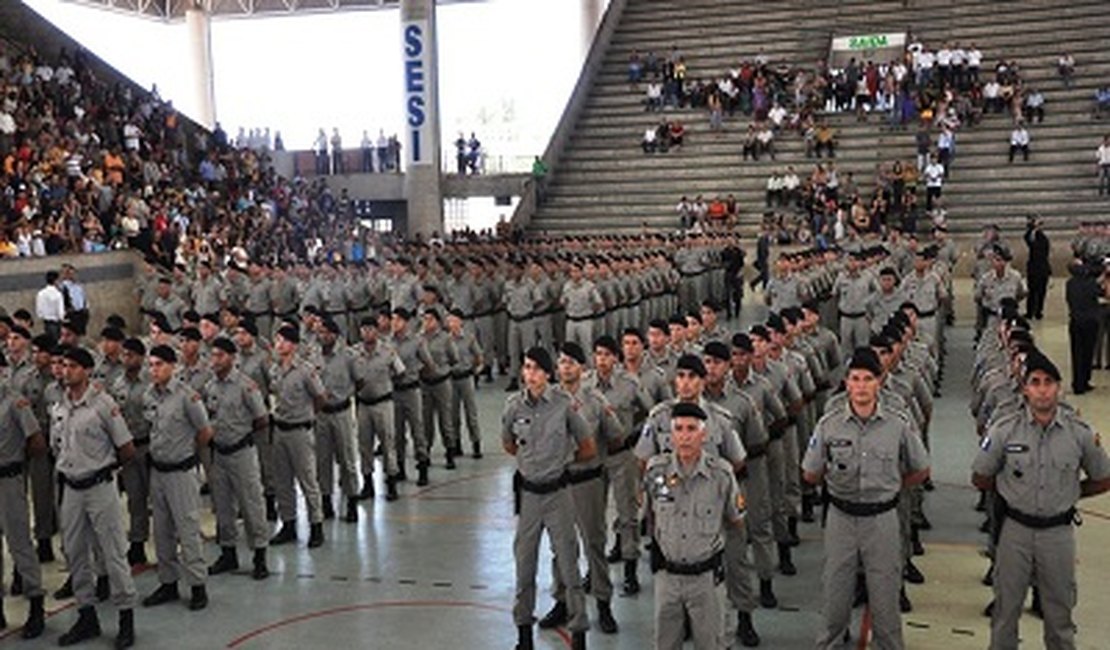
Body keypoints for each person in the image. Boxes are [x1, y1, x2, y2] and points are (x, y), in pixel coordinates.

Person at [972, 350, 1110, 649]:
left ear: (1058, 388)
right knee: (1006, 612)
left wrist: (1071, 493)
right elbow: (981, 475)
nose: (1042, 388)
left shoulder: (1079, 433)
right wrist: (1013, 491)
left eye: (1049, 382)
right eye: (1035, 382)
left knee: (1059, 616)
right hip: (1015, 532)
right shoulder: (1005, 429)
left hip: (1057, 535)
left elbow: (1103, 477)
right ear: (1025, 388)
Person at [802, 348, 929, 650]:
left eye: (867, 379)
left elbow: (921, 468)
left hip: (882, 519)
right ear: (846, 382)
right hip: (841, 518)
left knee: (885, 596)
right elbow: (810, 472)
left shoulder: (898, 423)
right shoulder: (829, 424)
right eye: (855, 379)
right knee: (835, 593)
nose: (860, 386)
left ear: (879, 382)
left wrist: (893, 487)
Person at [503, 347, 594, 650]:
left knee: (569, 565)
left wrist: (560, 464)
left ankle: (579, 632)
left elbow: (587, 447)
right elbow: (509, 444)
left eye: (536, 369)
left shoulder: (564, 405)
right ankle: (523, 635)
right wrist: (533, 464)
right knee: (524, 566)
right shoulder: (513, 406)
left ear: (547, 374)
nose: (530, 374)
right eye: (526, 368)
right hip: (529, 496)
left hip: (558, 495)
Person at [52, 347, 138, 648]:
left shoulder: (103, 404)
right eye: (64, 365)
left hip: (100, 487)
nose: (66, 371)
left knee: (112, 552)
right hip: (71, 489)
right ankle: (86, 615)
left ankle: (126, 617)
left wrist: (105, 471)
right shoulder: (60, 406)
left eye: (73, 366)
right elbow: (57, 447)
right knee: (75, 554)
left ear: (87, 371)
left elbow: (126, 448)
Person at [644, 401, 745, 650]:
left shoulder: (721, 475)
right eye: (678, 429)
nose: (685, 436)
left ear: (704, 434)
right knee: (665, 643)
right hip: (667, 578)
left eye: (691, 429)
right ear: (671, 435)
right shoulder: (656, 472)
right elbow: (649, 515)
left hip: (705, 580)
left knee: (711, 643)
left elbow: (736, 520)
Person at [140, 345, 213, 612]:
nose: (154, 370)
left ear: (173, 366)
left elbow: (205, 432)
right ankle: (168, 582)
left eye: (159, 364)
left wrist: (186, 451)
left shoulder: (187, 397)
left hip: (181, 472)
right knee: (161, 532)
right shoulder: (150, 395)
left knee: (188, 529)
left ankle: (197, 585)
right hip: (158, 471)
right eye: (151, 365)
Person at [204, 337, 271, 580]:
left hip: (242, 452)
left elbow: (262, 418)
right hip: (219, 453)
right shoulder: (211, 387)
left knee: (251, 504)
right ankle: (228, 553)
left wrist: (241, 433)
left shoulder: (246, 386)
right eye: (213, 355)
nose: (215, 360)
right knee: (223, 507)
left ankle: (260, 555)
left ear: (232, 358)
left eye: (220, 355)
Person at [0, 351, 48, 639]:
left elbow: (37, 442)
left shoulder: (15, 402)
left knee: (19, 543)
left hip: (9, 479)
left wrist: (17, 462)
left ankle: (36, 603)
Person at [268, 325, 327, 548]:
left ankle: (316, 525)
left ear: (293, 345)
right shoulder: (274, 369)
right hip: (280, 429)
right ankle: (289, 524)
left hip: (300, 431)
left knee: (308, 480)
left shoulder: (305, 370)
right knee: (283, 481)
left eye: (283, 341)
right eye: (277, 341)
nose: (279, 345)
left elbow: (321, 397)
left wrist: (307, 415)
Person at [315, 317, 362, 523]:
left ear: (334, 335)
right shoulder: (313, 356)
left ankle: (352, 501)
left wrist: (345, 395)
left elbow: (360, 380)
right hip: (321, 414)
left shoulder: (348, 356)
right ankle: (326, 501)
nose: (322, 336)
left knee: (347, 459)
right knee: (322, 460)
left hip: (341, 411)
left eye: (326, 333)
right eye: (320, 333)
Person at [1065, 258, 1105, 395]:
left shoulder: (1069, 284)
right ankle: (1085, 380)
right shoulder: (1091, 283)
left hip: (1075, 320)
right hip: (1091, 321)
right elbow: (1102, 293)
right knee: (1088, 352)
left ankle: (1077, 382)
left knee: (1076, 353)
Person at [1023, 217, 1050, 320]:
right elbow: (1027, 237)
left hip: (1042, 268)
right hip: (1033, 268)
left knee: (1041, 291)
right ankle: (1030, 312)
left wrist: (1035, 228)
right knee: (1032, 291)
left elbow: (1032, 241)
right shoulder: (1032, 235)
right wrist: (1032, 227)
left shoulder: (1042, 237)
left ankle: (1038, 311)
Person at [36, 271, 66, 341]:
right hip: (56, 322)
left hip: (46, 322)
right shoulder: (58, 294)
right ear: (55, 281)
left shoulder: (41, 293)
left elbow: (39, 311)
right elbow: (60, 312)